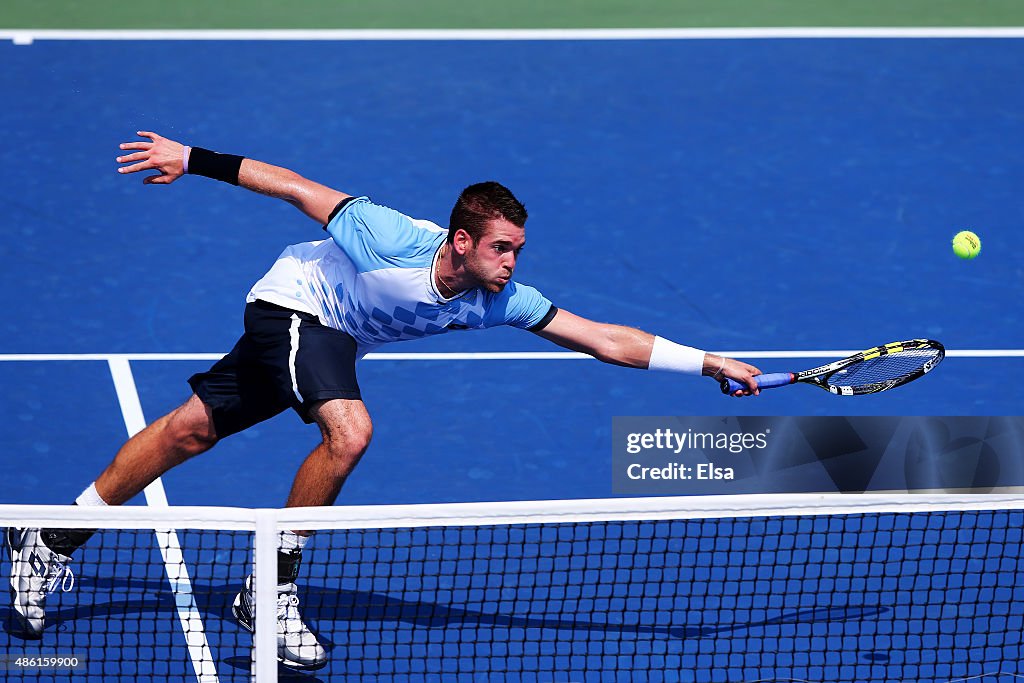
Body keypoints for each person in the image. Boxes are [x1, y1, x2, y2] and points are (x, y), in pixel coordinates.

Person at [7, 131, 762, 669]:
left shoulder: (498, 298)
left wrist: (707, 363)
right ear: (461, 241)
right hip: (296, 308)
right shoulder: (390, 235)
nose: (512, 262)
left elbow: (603, 338)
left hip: (326, 337)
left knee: (189, 432)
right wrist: (190, 159)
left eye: (518, 250)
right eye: (501, 247)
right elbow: (299, 187)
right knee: (350, 431)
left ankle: (46, 539)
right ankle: (267, 589)